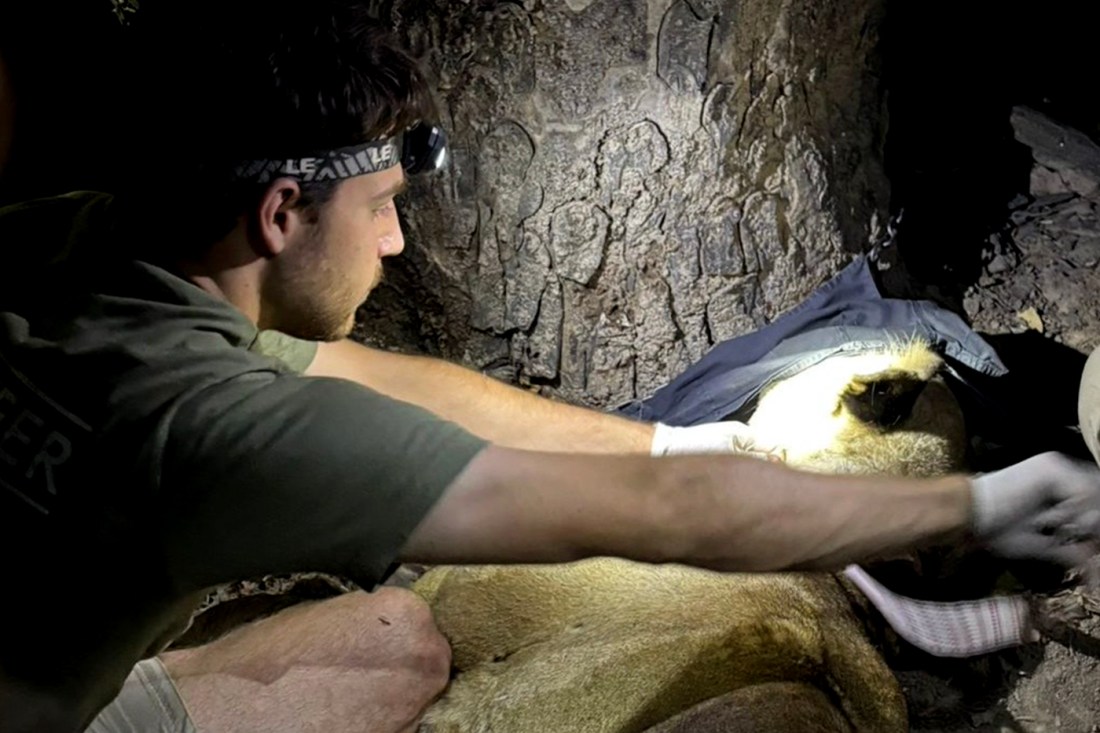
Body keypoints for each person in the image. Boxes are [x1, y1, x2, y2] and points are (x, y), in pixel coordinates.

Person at [1, 3, 1099, 732]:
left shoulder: (72, 236)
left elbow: (374, 377)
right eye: (381, 211)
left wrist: (675, 435)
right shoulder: (210, 438)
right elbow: (664, 520)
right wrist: (970, 502)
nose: (392, 245)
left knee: (394, 638)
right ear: (283, 210)